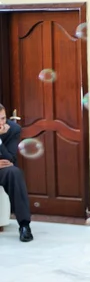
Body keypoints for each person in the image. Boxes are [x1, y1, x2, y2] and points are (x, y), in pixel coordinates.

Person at [0, 104, 34, 242]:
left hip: (3, 169)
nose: (1, 123)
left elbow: (10, 159)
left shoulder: (13, 129)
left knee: (14, 173)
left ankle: (24, 226)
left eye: (3, 118)